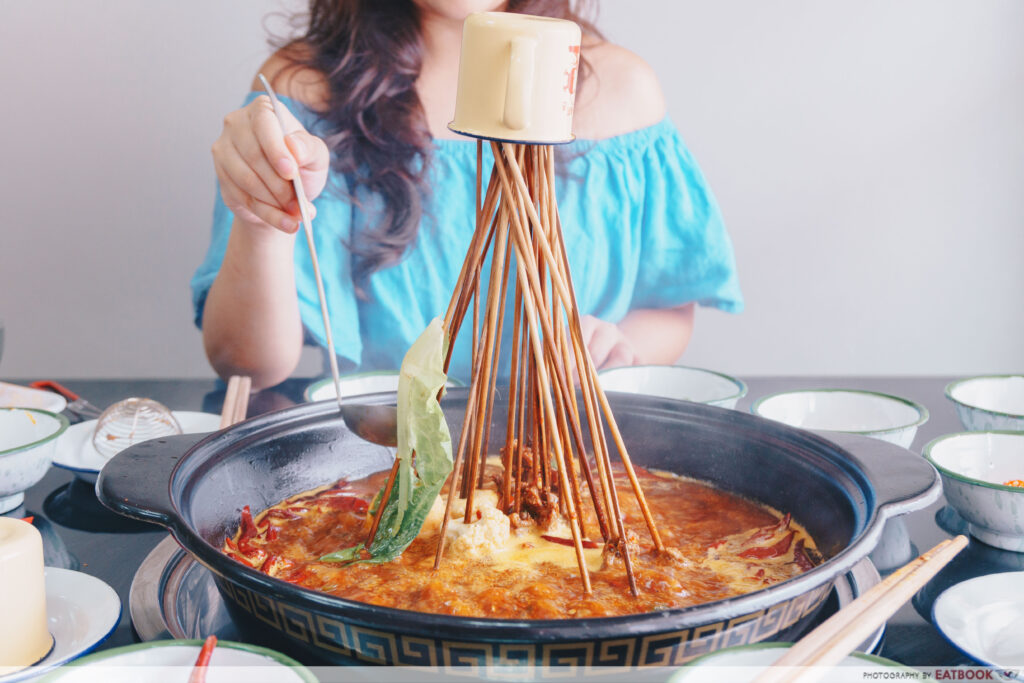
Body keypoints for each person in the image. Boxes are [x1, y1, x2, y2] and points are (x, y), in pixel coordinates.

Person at [192, 0, 743, 391]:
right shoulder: (305, 90)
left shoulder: (622, 92)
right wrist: (264, 219)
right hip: (377, 461)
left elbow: (670, 304)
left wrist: (616, 347)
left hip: (573, 460)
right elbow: (247, 364)